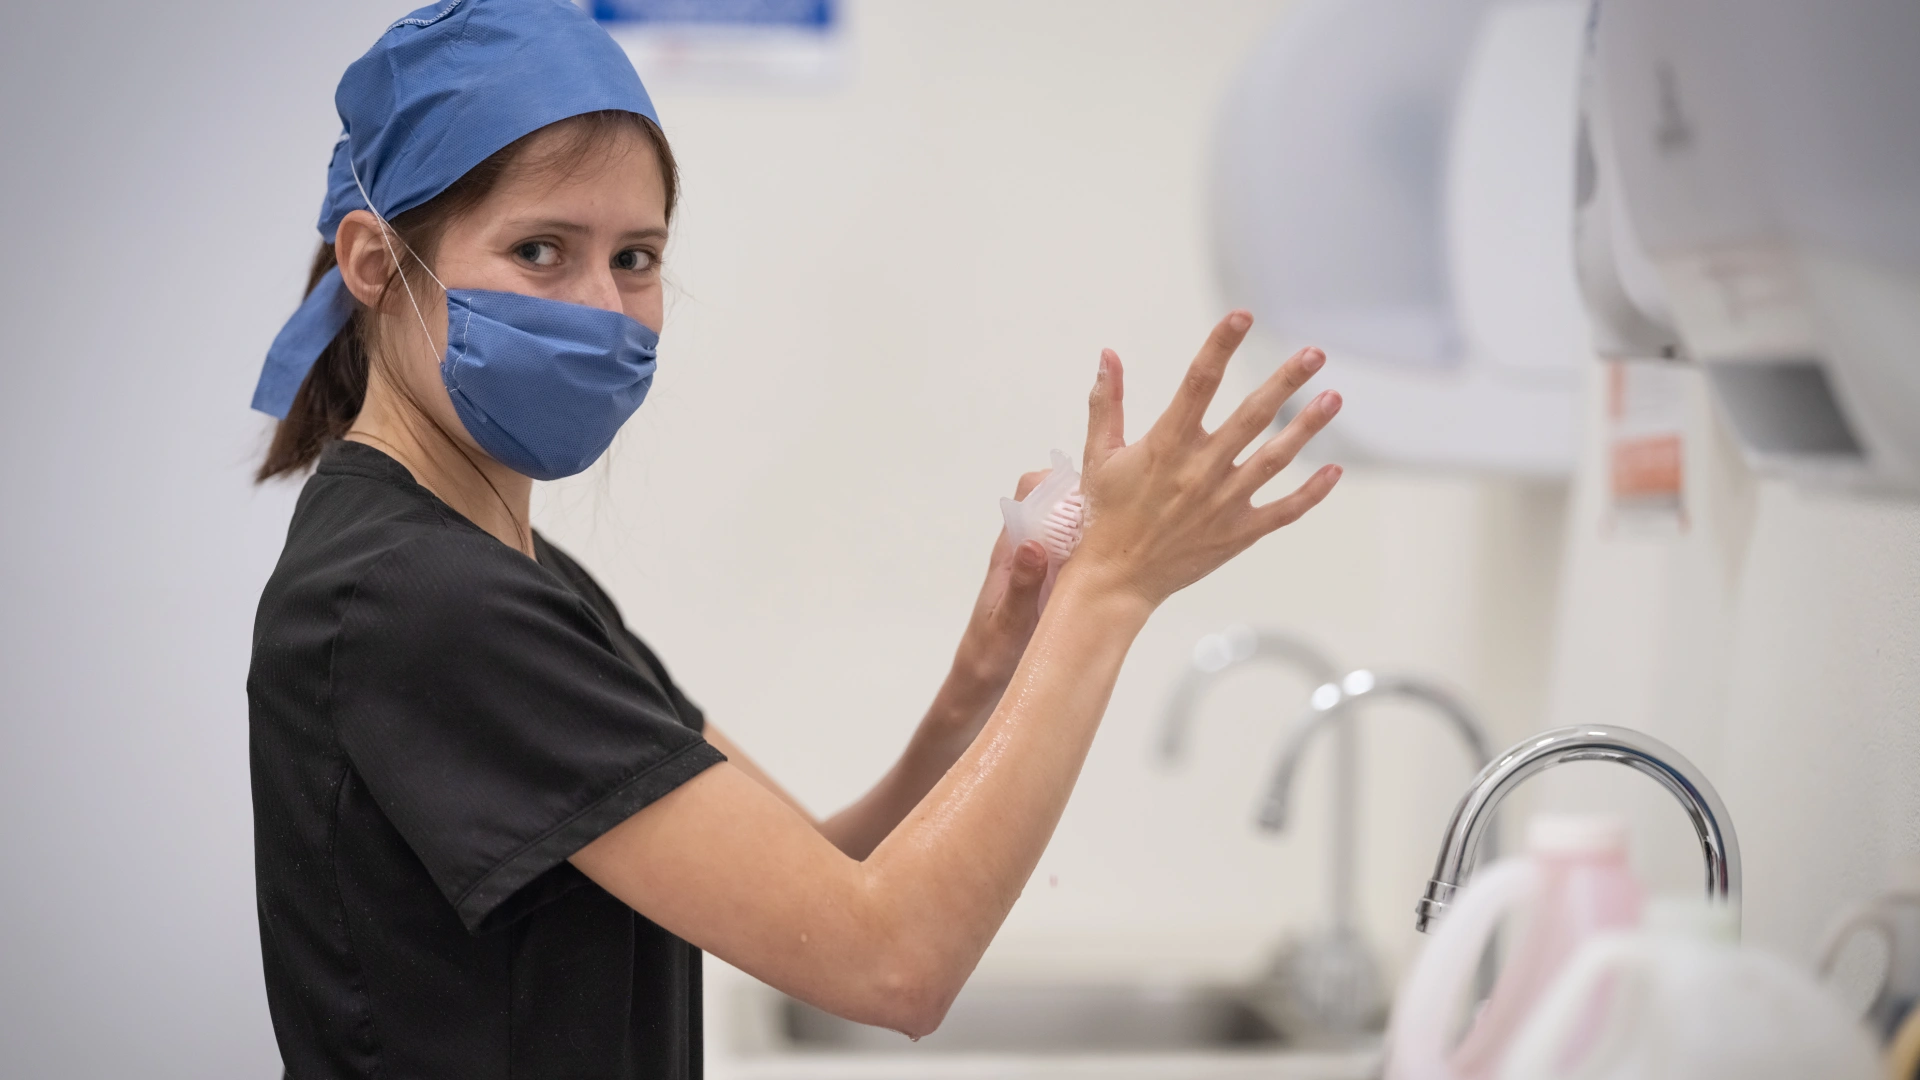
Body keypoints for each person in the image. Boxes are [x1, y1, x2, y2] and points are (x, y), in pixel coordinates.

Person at [246, 2, 1344, 1077]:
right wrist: (1111, 595)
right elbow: (894, 965)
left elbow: (822, 879)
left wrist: (983, 684)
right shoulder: (417, 598)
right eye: (541, 250)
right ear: (377, 263)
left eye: (637, 257)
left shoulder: (506, 573)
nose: (604, 308)